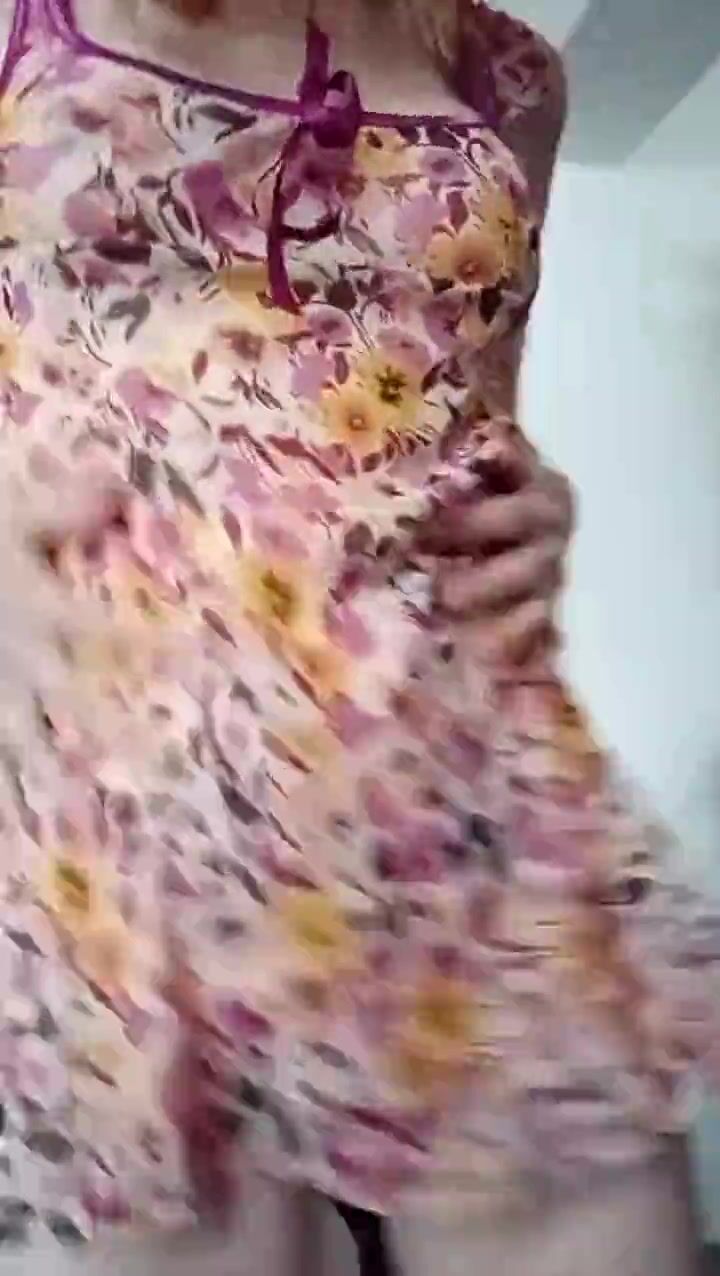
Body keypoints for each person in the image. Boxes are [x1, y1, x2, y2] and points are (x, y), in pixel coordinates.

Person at [0, 2, 713, 1273]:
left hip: (464, 806)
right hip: (123, 834)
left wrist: (537, 502)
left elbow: (457, 401)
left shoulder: (505, 78)